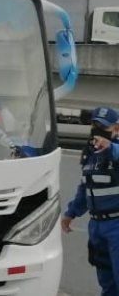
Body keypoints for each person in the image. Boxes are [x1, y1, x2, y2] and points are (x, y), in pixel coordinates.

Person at [64, 106, 119, 295]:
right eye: (94, 125)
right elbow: (85, 186)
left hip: (116, 226)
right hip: (96, 226)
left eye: (103, 126)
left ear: (116, 129)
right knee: (107, 283)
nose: (97, 130)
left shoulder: (115, 149)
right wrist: (71, 213)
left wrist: (111, 146)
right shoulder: (89, 153)